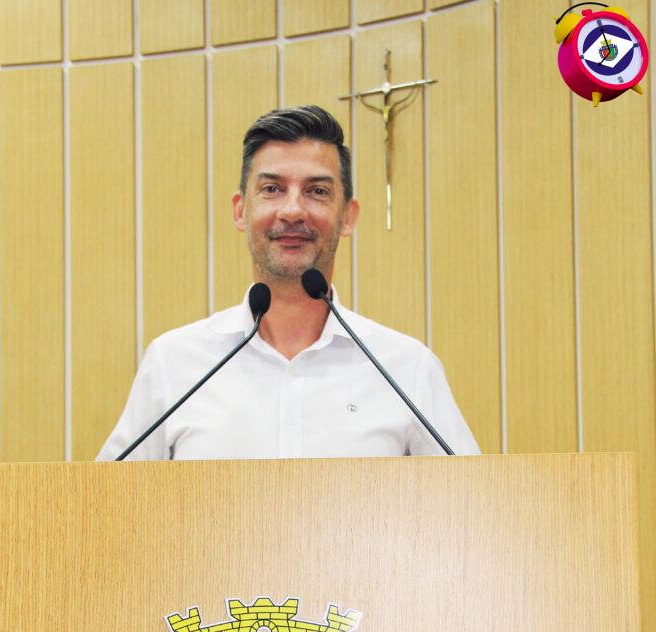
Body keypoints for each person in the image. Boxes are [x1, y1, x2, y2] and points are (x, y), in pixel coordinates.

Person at [97, 106, 479, 461]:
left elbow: (472, 499)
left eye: (317, 191)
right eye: (272, 189)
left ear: (348, 217)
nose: (293, 210)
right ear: (241, 211)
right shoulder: (174, 362)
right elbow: (106, 499)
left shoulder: (406, 369)